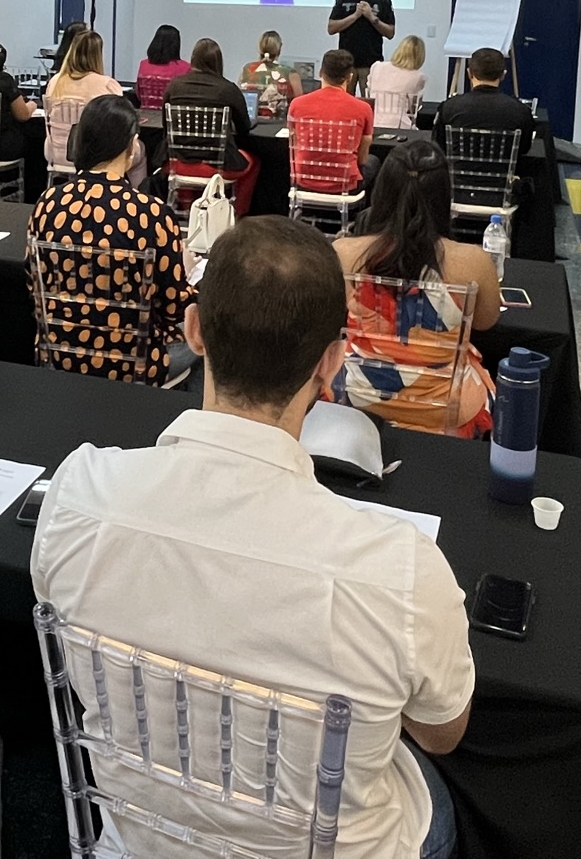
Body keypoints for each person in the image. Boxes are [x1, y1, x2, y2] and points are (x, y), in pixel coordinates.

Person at [32, 217, 471, 859]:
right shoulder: (403, 571)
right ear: (332, 362)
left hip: (138, 842)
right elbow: (441, 734)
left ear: (194, 331)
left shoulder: (77, 495)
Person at [332, 141, 502, 437]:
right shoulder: (474, 261)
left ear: (381, 191)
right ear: (444, 196)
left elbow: (333, 318)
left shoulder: (344, 252)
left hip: (357, 396)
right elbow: (487, 321)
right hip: (445, 406)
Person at [28, 96, 193, 385]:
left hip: (61, 354)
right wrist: (187, 273)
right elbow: (174, 309)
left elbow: (35, 284)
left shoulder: (47, 204)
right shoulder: (152, 214)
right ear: (132, 146)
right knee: (204, 340)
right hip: (135, 364)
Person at [163, 37, 260, 215]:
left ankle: (187, 208)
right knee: (253, 162)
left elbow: (165, 125)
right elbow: (244, 128)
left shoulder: (174, 86)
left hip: (177, 162)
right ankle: (237, 214)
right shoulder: (228, 89)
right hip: (217, 165)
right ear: (218, 62)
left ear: (193, 59)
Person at [287, 50, 379, 195]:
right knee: (374, 162)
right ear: (349, 77)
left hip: (304, 181)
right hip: (344, 186)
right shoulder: (363, 108)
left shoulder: (297, 104)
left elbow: (295, 141)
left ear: (320, 72)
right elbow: (362, 159)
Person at [428, 46, 539, 157]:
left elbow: (438, 145)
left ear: (469, 73)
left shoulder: (449, 107)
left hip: (457, 168)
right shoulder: (521, 111)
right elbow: (524, 148)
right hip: (503, 168)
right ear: (503, 75)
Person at [42, 30, 124, 166]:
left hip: (56, 155)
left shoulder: (55, 81)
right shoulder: (107, 84)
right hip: (93, 156)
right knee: (138, 150)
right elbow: (119, 122)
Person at [327, 0, 395, 93]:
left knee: (369, 100)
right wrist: (354, 16)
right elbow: (331, 28)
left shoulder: (383, 0)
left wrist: (372, 17)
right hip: (346, 62)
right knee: (344, 99)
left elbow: (390, 33)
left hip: (371, 62)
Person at [366, 35, 429, 128]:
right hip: (399, 126)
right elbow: (413, 107)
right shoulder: (418, 77)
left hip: (372, 122)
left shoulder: (377, 66)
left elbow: (368, 94)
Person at [239, 30, 303, 118]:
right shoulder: (290, 73)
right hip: (279, 124)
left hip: (250, 122)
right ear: (279, 48)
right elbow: (300, 105)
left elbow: (239, 97)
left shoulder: (247, 69)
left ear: (259, 48)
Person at [134, 24, 190, 110]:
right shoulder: (185, 68)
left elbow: (138, 95)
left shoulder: (143, 65)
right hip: (171, 116)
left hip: (145, 115)